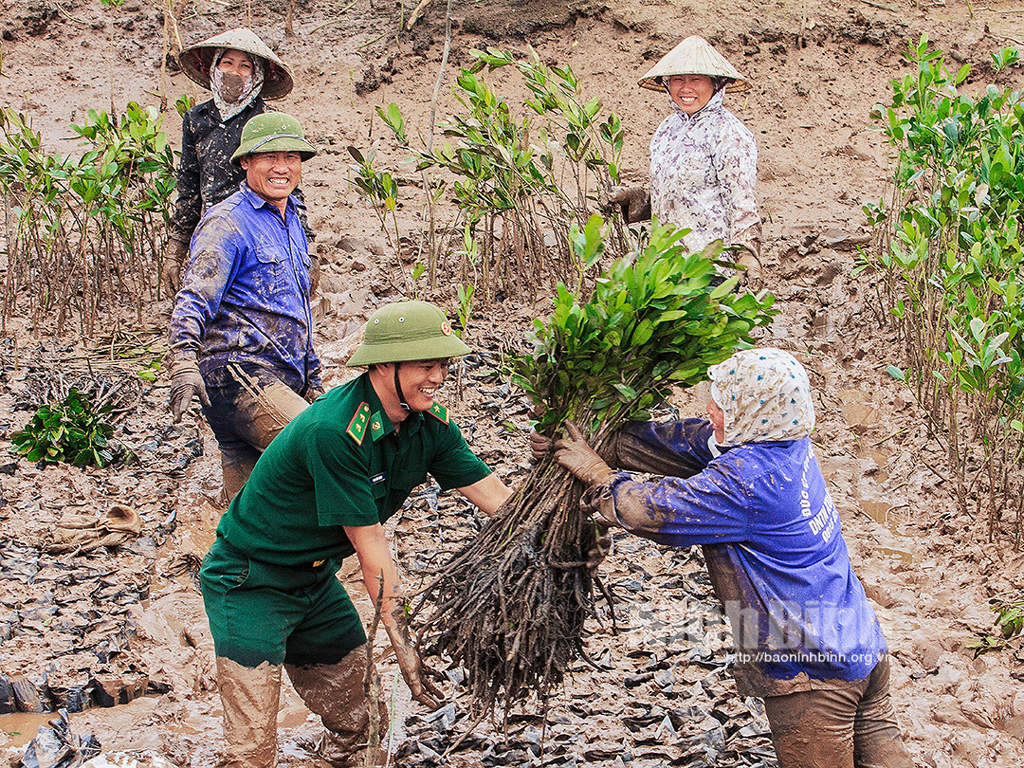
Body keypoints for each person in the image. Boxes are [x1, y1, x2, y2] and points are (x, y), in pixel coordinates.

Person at [537, 348, 913, 768]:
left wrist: (597, 473)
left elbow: (647, 512)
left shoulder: (749, 483)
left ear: (751, 410)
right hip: (861, 644)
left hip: (813, 669)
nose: (710, 408)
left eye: (722, 401)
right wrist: (597, 439)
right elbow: (685, 443)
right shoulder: (787, 444)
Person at [199, 299, 513, 768]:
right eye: (426, 365)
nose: (439, 378)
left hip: (315, 580)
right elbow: (372, 551)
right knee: (252, 752)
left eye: (443, 365)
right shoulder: (335, 431)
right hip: (251, 582)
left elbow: (496, 498)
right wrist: (402, 641)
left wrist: (559, 525)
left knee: (362, 726)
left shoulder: (430, 425)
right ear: (384, 366)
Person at [167, 112, 322, 501]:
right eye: (269, 157)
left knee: (250, 512)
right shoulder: (227, 223)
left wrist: (314, 381)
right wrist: (184, 360)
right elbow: (195, 294)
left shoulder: (291, 222)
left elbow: (296, 311)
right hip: (238, 374)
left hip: (279, 376)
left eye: (291, 157)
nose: (282, 168)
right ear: (245, 163)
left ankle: (240, 558)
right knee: (325, 448)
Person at [164, 27, 313, 292]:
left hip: (261, 233)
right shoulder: (196, 120)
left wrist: (307, 252)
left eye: (245, 66)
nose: (234, 72)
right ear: (214, 67)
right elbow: (188, 186)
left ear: (256, 74)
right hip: (213, 232)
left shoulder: (266, 121)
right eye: (227, 63)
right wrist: (175, 250)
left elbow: (289, 187)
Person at [610, 35, 762, 282]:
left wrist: (747, 254)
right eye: (678, 79)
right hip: (666, 266)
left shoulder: (729, 133)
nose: (686, 88)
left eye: (696, 79)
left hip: (710, 269)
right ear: (667, 84)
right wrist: (634, 199)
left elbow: (741, 202)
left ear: (716, 84)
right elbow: (678, 193)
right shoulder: (666, 130)